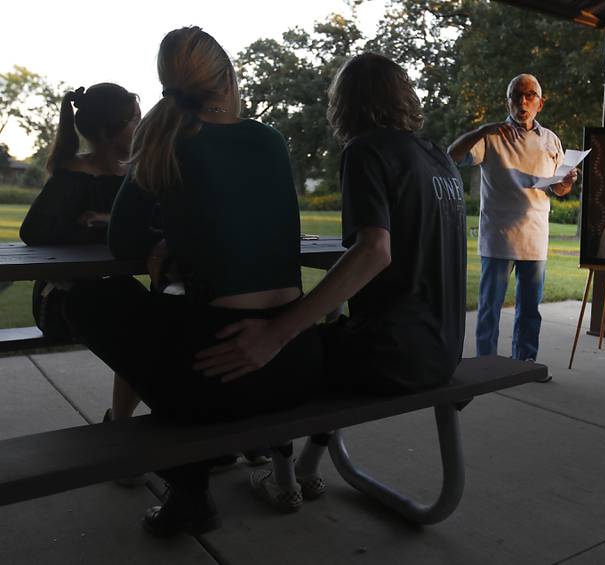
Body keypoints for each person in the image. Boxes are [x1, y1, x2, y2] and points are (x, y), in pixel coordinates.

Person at [62, 26, 323, 537]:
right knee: (178, 326)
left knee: (86, 300)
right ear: (227, 78)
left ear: (167, 85)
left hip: (220, 374)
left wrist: (166, 247)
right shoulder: (269, 139)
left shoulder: (164, 141)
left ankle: (190, 489)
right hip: (296, 364)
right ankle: (192, 481)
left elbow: (121, 242)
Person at [194, 52, 467, 510]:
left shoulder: (367, 150)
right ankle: (305, 467)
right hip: (444, 351)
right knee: (327, 336)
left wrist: (278, 332)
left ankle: (280, 478)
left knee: (269, 352)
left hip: (393, 355)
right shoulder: (439, 158)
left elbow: (375, 250)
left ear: (346, 104)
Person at [19, 83, 143, 430]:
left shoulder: (136, 175)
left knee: (167, 327)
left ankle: (129, 425)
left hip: (116, 291)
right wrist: (107, 230)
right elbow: (34, 232)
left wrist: (105, 221)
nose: (142, 127)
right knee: (145, 337)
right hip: (65, 298)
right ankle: (121, 429)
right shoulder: (73, 176)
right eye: (134, 120)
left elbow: (156, 223)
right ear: (108, 130)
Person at [446, 73, 576, 372]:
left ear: (540, 103)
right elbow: (453, 155)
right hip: (498, 235)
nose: (522, 101)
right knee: (489, 308)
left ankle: (524, 363)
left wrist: (566, 182)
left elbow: (557, 188)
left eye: (529, 95)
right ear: (508, 101)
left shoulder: (551, 139)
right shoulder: (492, 136)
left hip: (536, 234)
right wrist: (481, 129)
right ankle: (485, 364)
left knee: (530, 309)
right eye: (516, 96)